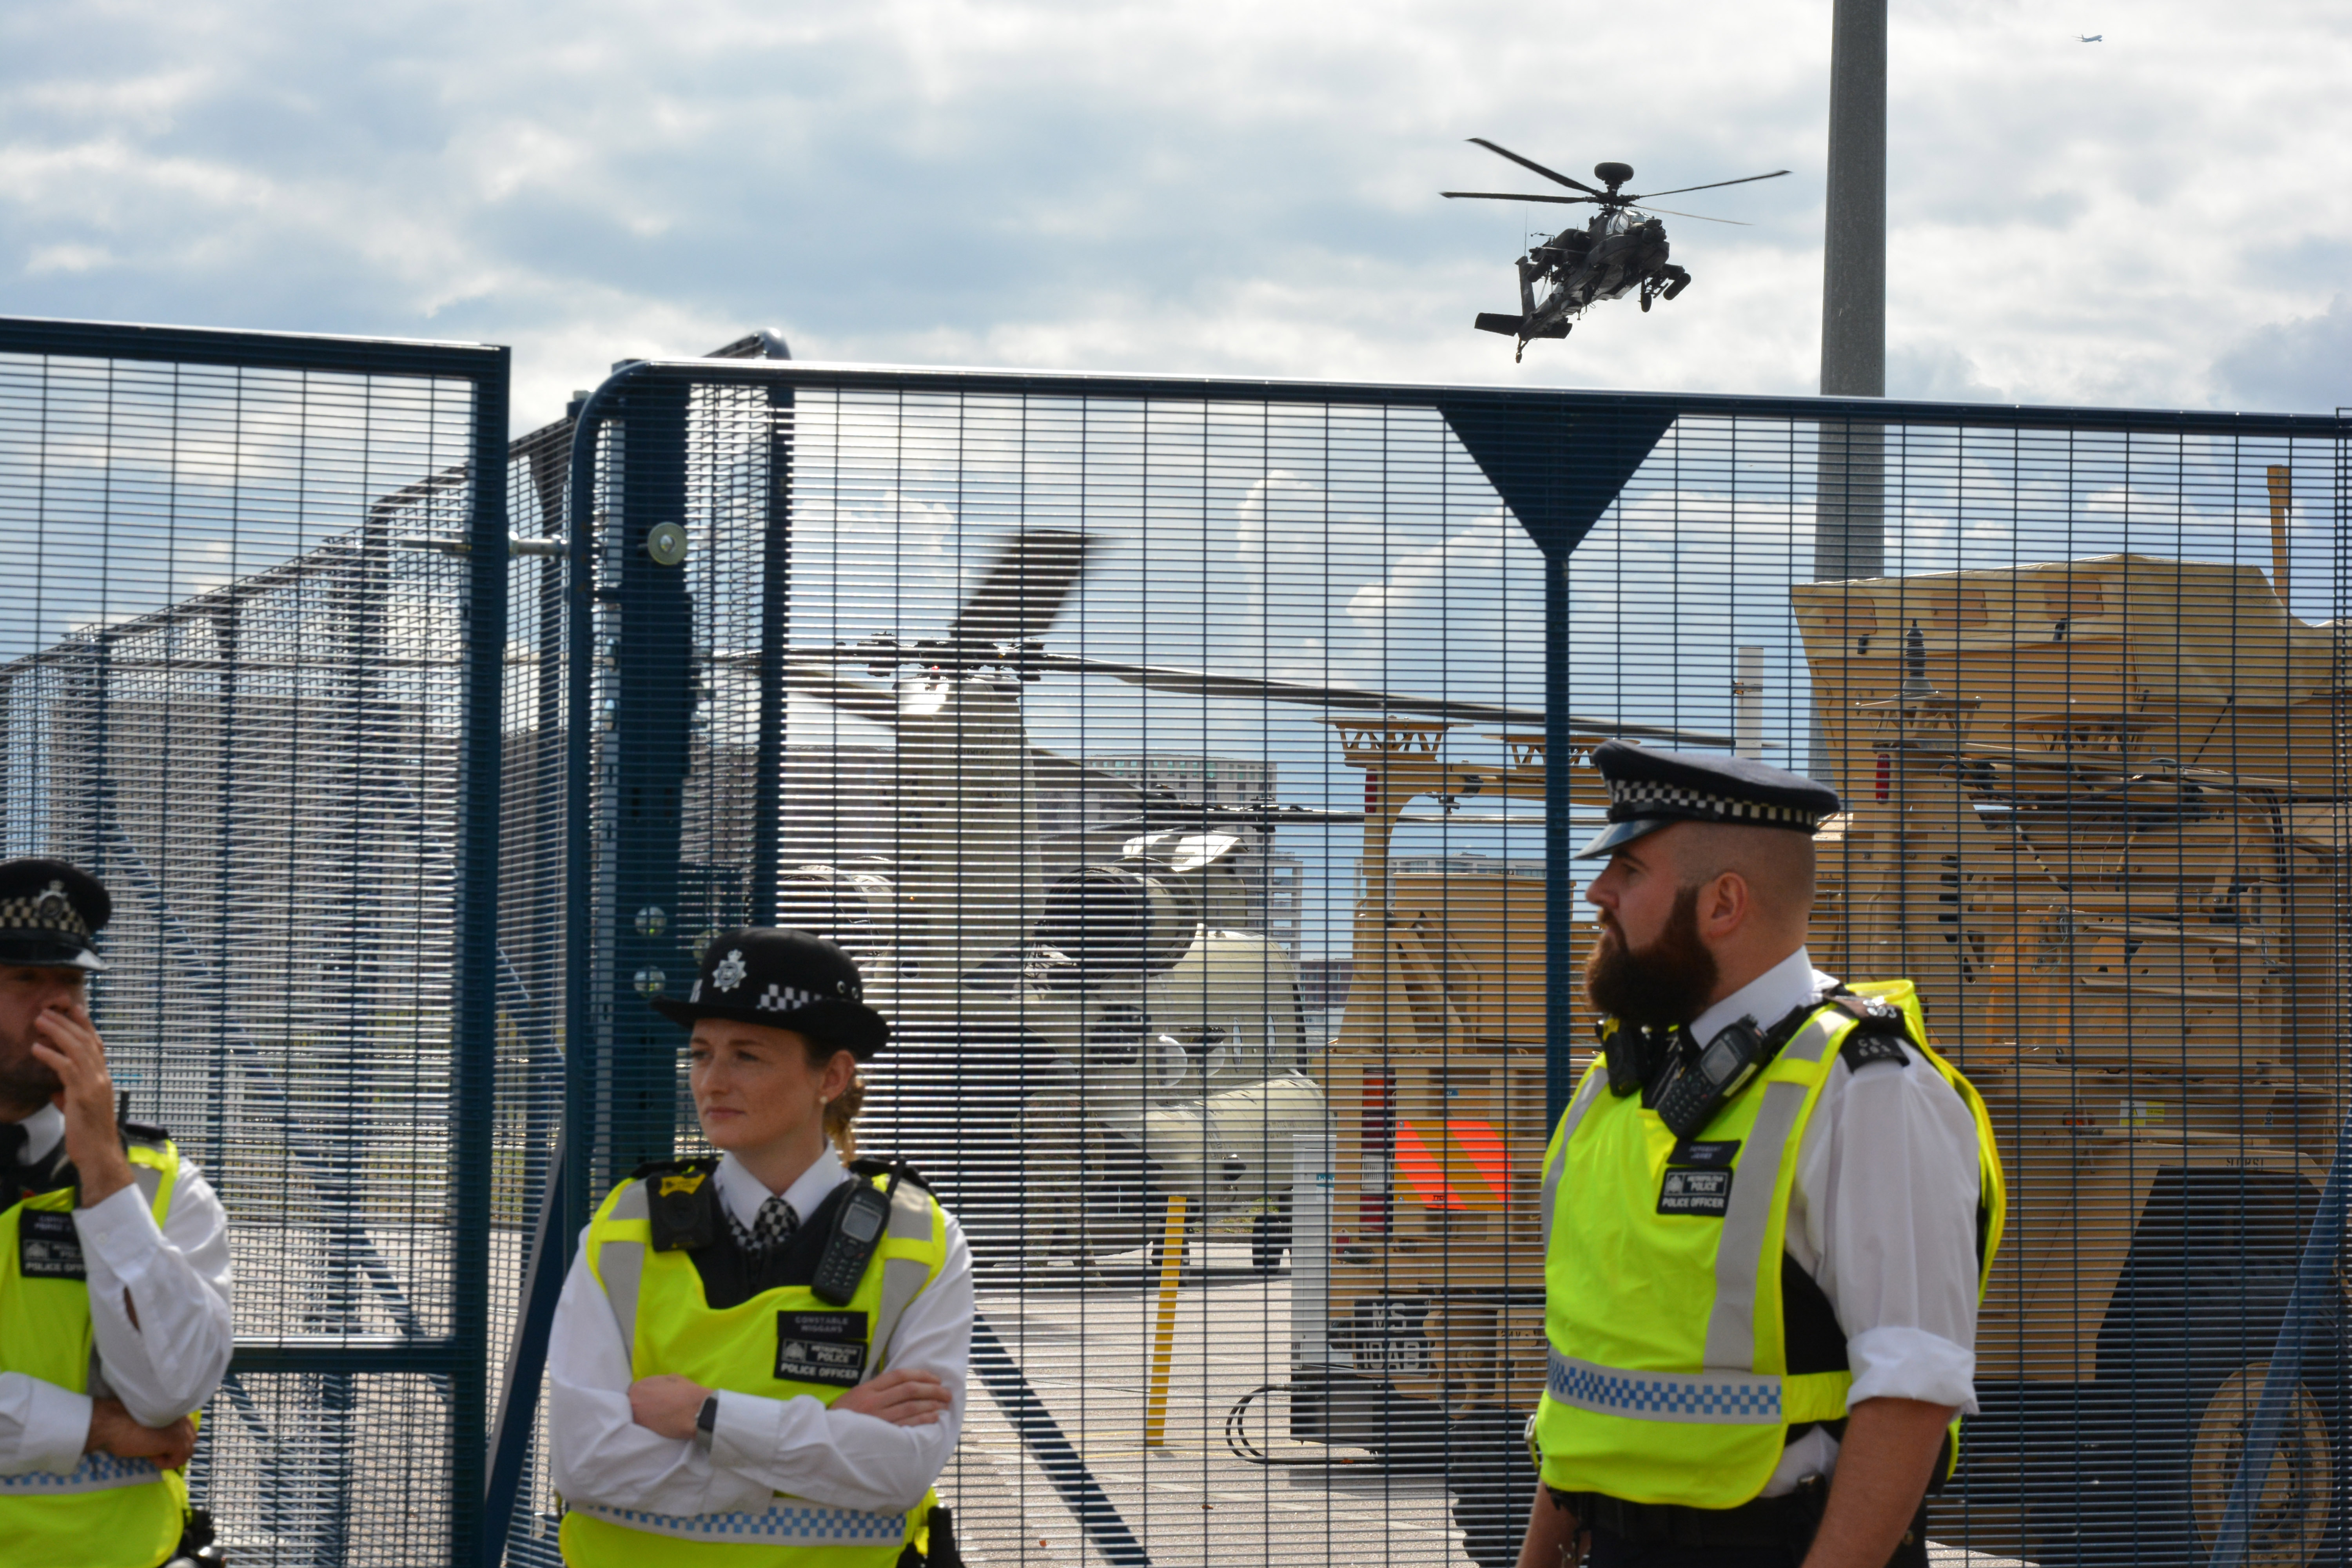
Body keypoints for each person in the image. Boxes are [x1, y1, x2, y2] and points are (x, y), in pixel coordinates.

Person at [1519, 745, 2003, 1568]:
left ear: (1724, 903)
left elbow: (1912, 1392)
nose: (1597, 893)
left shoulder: (1869, 1090)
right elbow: (1597, 1371)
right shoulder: (1623, 1084)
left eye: (1629, 870)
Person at [549, 927, 975, 1567]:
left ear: (832, 1075)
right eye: (700, 1054)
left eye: (747, 1056)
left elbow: (900, 1471)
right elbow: (586, 1464)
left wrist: (703, 1416)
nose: (712, 1082)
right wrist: (829, 1435)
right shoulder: (626, 1228)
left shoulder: (919, 1238)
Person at [0, 858, 236, 1568]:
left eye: (72, 982)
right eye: (25, 980)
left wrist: (103, 1170)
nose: (61, 1006)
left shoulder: (161, 1182)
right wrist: (93, 1426)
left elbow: (171, 1391)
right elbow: (132, 1416)